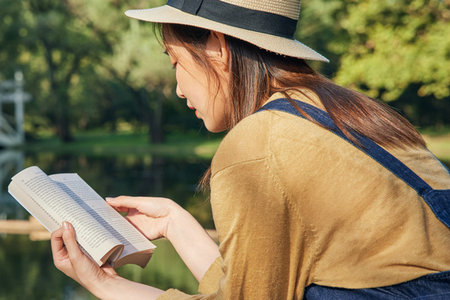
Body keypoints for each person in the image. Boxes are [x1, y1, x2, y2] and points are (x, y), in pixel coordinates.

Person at [51, 0, 450, 299]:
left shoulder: (259, 141)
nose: (177, 88)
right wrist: (176, 222)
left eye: (174, 61)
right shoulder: (343, 111)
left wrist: (100, 281)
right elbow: (254, 287)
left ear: (217, 48)